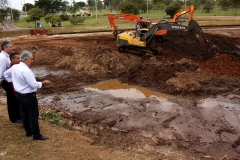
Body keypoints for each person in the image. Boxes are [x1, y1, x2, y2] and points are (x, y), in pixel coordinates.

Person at [4, 50, 52, 140]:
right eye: (31, 59)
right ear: (26, 59)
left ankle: (28, 131)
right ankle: (36, 135)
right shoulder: (26, 71)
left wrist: (12, 81)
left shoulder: (15, 67)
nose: (32, 61)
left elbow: (5, 74)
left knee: (24, 113)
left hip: (19, 95)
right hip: (29, 96)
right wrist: (43, 83)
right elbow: (33, 84)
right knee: (33, 114)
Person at [0, 40, 22, 123]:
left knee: (13, 99)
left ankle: (15, 116)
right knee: (12, 99)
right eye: (10, 47)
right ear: (5, 48)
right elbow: (1, 71)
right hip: (6, 81)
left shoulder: (6, 56)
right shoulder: (2, 58)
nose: (12, 48)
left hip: (9, 80)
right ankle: (14, 117)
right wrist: (2, 82)